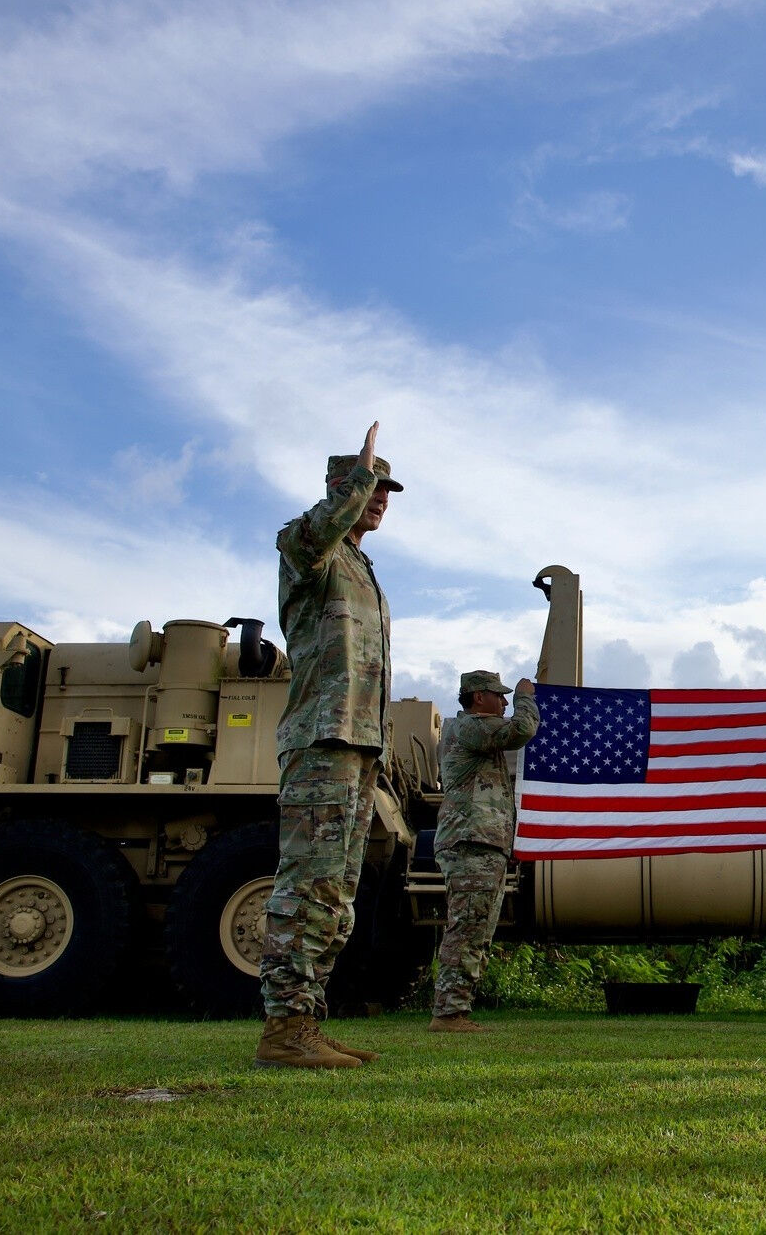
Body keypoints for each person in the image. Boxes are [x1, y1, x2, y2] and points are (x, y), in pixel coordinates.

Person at [255, 422, 401, 1071]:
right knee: (307, 888)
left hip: (356, 744)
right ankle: (283, 1029)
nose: (380, 498)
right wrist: (355, 478)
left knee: (336, 898)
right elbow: (316, 532)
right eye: (369, 487)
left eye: (386, 489)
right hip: (320, 738)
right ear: (339, 489)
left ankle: (306, 1023)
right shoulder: (305, 546)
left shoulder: (360, 566)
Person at [430, 670, 540, 1032]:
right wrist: (527, 696)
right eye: (500, 695)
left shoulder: (476, 733)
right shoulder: (469, 728)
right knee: (468, 926)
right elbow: (520, 730)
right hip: (470, 843)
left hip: (483, 843)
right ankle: (448, 1013)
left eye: (509, 697)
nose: (505, 702)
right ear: (479, 697)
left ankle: (457, 1009)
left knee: (479, 928)